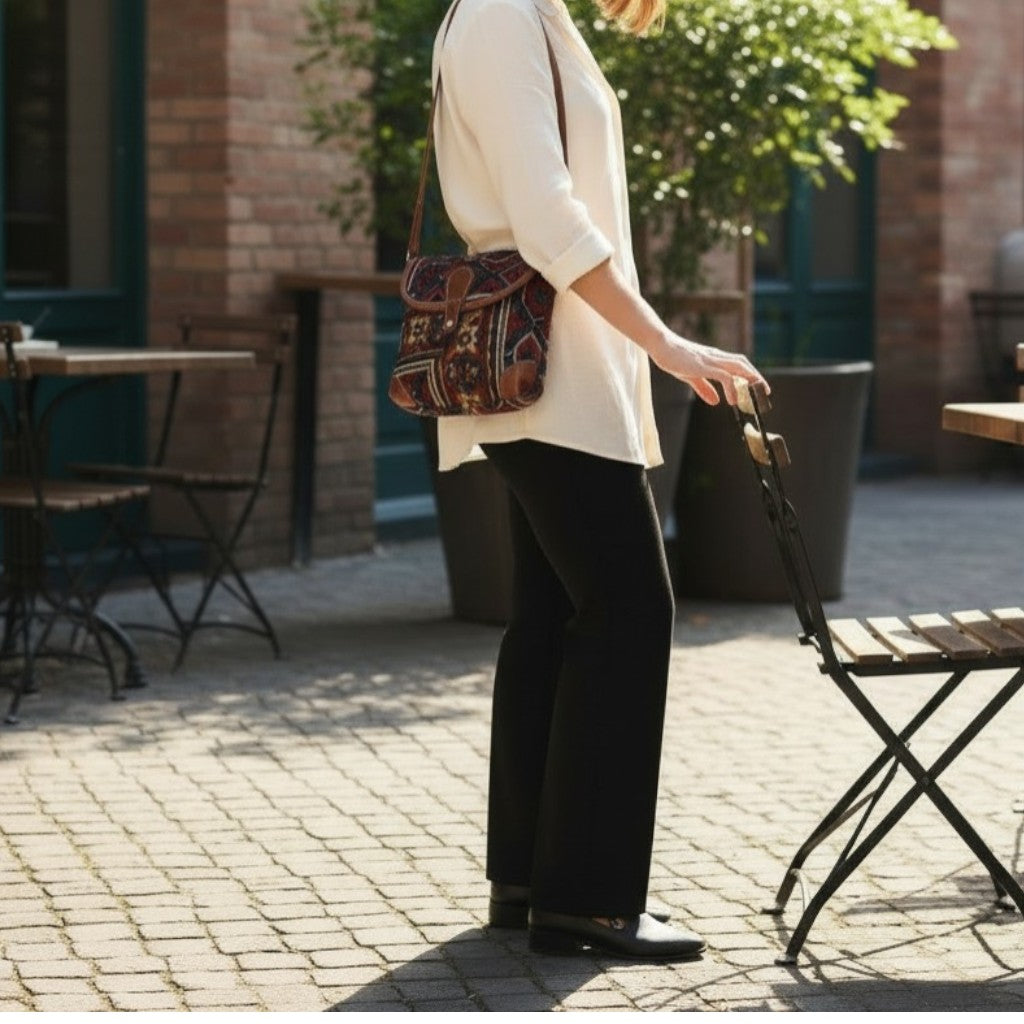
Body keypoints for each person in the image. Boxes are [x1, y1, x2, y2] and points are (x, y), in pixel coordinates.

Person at [430, 0, 767, 961]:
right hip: (549, 376)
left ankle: (531, 880)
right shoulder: (500, 16)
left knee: (555, 613)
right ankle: (592, 901)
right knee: (628, 610)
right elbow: (545, 216)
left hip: (563, 371)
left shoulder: (534, 13)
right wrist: (663, 343)